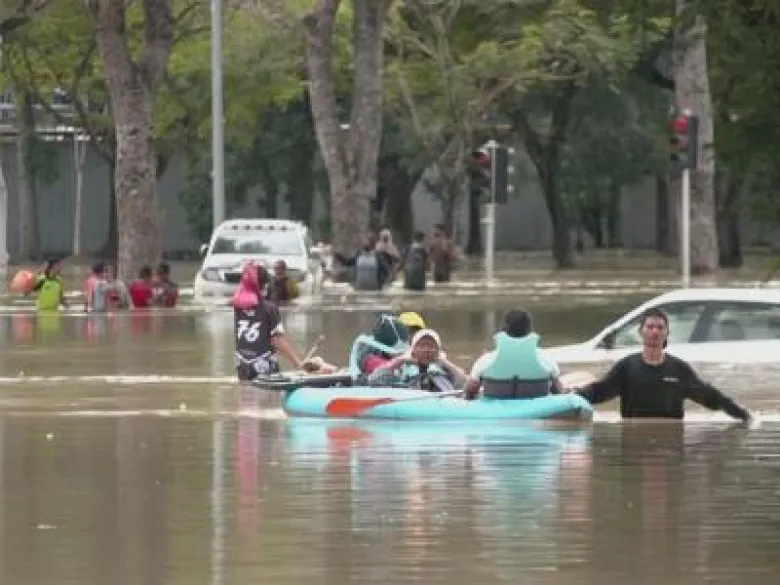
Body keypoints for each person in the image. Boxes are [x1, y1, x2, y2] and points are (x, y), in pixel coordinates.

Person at [573, 308, 754, 424]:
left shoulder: (679, 369)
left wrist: (744, 415)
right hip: (634, 442)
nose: (655, 331)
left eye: (660, 328)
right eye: (650, 327)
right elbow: (598, 391)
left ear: (667, 333)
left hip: (671, 442)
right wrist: (571, 396)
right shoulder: (626, 367)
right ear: (641, 332)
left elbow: (711, 397)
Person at [232, 262, 322, 381]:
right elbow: (277, 340)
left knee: (246, 391)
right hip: (263, 366)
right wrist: (298, 364)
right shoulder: (270, 308)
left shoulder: (238, 308)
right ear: (265, 285)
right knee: (267, 392)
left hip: (242, 366)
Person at [465, 309, 561, 400]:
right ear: (530, 330)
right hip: (538, 405)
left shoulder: (486, 359)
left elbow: (470, 390)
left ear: (504, 330)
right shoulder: (546, 358)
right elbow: (557, 390)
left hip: (495, 405)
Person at [369, 329, 466, 392]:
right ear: (413, 350)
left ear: (438, 351)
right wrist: (402, 360)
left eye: (431, 346)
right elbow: (374, 379)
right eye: (422, 346)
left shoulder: (444, 370)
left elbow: (464, 382)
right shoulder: (401, 369)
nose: (426, 350)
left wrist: (445, 362)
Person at [349, 311, 427, 375]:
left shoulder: (416, 352)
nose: (413, 336)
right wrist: (401, 361)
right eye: (410, 331)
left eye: (417, 333)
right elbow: (379, 368)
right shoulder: (370, 357)